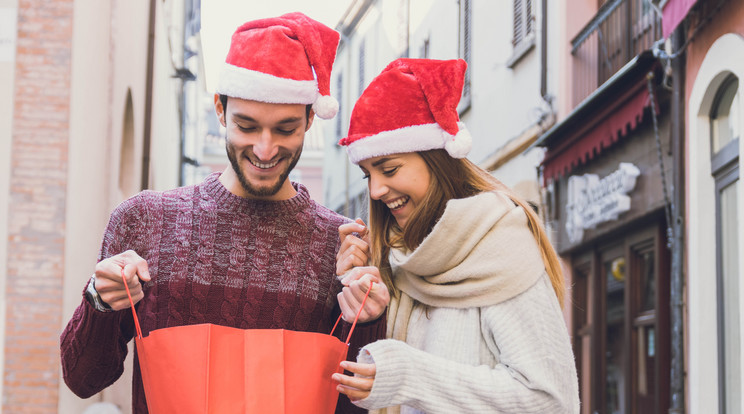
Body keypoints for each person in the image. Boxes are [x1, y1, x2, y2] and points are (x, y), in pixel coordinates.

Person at [60, 13, 386, 413]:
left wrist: (367, 320)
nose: (265, 149)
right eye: (246, 126)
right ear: (219, 110)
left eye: (285, 129)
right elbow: (84, 379)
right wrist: (99, 301)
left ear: (309, 120)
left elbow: (357, 404)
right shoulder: (144, 219)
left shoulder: (339, 244)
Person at [332, 58, 580, 413]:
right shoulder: (398, 260)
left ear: (437, 160)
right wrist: (363, 310)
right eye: (367, 174)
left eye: (389, 169)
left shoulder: (498, 245)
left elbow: (549, 399)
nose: (375, 191)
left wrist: (409, 376)